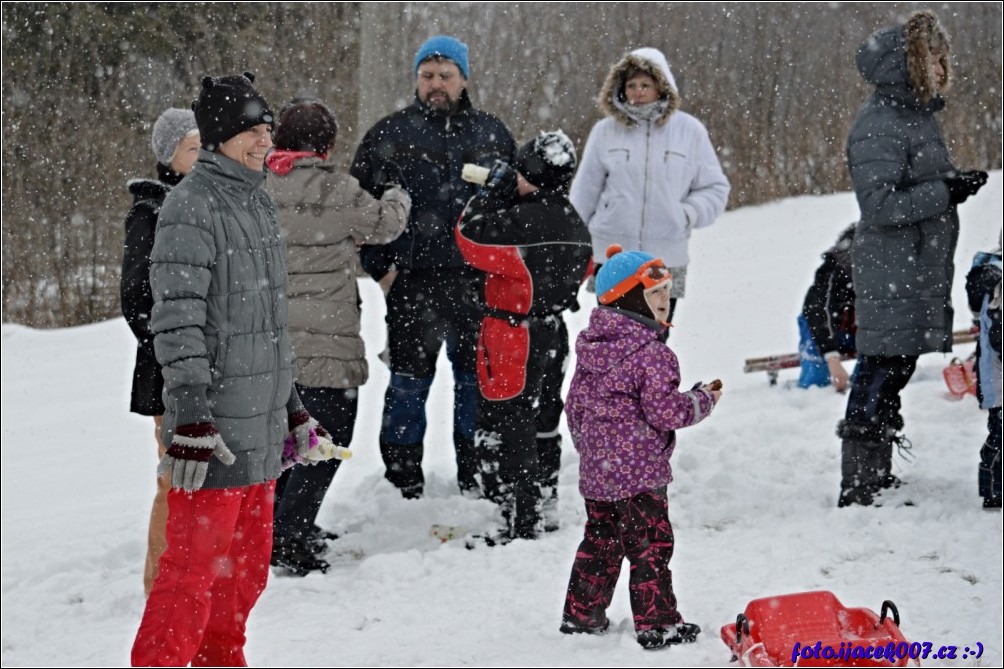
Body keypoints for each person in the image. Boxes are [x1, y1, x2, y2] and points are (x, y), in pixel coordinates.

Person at [131, 72, 333, 666]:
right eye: (249, 131)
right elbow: (176, 323)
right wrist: (191, 417)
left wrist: (292, 408)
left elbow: (268, 327)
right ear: (218, 136)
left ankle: (222, 660)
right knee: (190, 577)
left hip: (261, 430)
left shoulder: (257, 202)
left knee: (241, 577)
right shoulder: (188, 208)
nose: (262, 141)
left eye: (265, 129)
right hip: (213, 433)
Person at [350, 35, 515, 498]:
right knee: (406, 386)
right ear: (416, 79)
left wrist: (501, 269)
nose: (436, 84)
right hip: (412, 284)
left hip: (475, 284)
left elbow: (514, 210)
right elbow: (358, 209)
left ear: (464, 78)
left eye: (445, 75)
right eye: (427, 76)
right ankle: (402, 482)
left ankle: (475, 474)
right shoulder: (388, 135)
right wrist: (382, 268)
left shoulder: (491, 134)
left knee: (474, 384)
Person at [838, 10, 989, 507]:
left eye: (944, 58)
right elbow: (877, 204)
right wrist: (945, 192)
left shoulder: (913, 115)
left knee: (895, 365)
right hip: (890, 266)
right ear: (907, 66)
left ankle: (874, 472)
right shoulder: (880, 122)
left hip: (910, 265)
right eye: (932, 59)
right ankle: (860, 480)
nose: (943, 68)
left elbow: (914, 184)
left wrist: (948, 186)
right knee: (880, 367)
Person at [265, 98, 411, 574]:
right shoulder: (339, 190)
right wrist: (397, 192)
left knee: (284, 440)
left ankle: (276, 527)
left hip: (269, 342)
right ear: (327, 145)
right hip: (325, 342)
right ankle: (290, 533)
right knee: (326, 439)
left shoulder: (257, 186)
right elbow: (386, 226)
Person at [559, 245, 720, 649]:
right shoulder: (653, 354)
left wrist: (595, 453)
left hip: (598, 475)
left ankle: (582, 615)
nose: (667, 301)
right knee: (650, 547)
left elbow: (574, 407)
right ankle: (658, 623)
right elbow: (667, 411)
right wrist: (702, 400)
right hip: (640, 476)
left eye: (667, 291)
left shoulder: (591, 348)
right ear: (630, 299)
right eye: (656, 294)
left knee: (601, 542)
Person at [455, 130, 592, 542]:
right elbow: (584, 268)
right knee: (545, 416)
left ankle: (522, 514)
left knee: (513, 418)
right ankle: (546, 498)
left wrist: (491, 194)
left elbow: (467, 236)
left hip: (514, 332)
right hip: (555, 329)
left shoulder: (516, 222)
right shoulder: (574, 222)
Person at [570, 47, 730, 323]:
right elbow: (584, 193)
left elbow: (715, 188)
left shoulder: (689, 131)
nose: (637, 91)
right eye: (631, 85)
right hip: (613, 257)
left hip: (664, 259)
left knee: (653, 346)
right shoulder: (605, 132)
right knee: (611, 342)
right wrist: (574, 241)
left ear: (661, 87)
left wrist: (686, 214)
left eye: (645, 84)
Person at [121, 107, 200, 597]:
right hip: (170, 372)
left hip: (211, 369)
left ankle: (199, 579)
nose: (205, 155)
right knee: (177, 479)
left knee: (208, 482)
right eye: (194, 148)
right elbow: (136, 298)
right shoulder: (150, 211)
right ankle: (161, 587)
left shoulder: (209, 203)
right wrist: (174, 346)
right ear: (169, 157)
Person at [965, 235, 1002, 509]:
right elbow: (995, 332)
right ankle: (994, 491)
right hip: (998, 373)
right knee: (1000, 433)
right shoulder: (992, 273)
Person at [798, 223, 857, 391]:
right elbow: (818, 312)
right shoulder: (831, 272)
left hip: (859, 331)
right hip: (825, 331)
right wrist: (832, 358)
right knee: (816, 380)